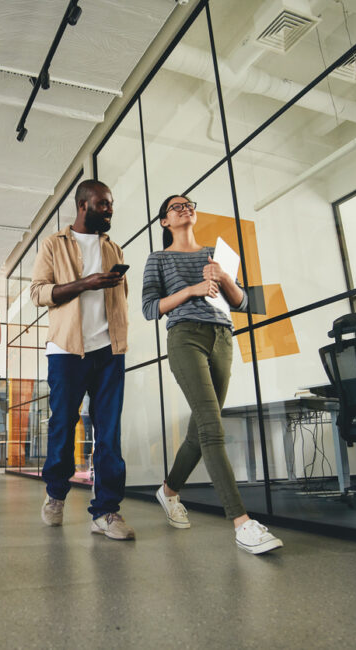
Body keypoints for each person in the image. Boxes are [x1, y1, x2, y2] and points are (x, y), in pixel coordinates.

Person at [142, 194, 283, 554]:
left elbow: (243, 303)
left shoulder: (216, 254)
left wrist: (223, 276)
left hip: (222, 337)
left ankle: (169, 490)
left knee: (198, 432)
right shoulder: (158, 258)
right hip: (185, 336)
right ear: (164, 222)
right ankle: (242, 523)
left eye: (189, 204)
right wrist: (191, 289)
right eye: (176, 207)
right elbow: (149, 308)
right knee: (211, 428)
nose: (185, 208)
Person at [30, 179, 134, 541]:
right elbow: (39, 293)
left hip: (108, 350)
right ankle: (56, 494)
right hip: (66, 350)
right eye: (104, 204)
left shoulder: (114, 248)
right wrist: (85, 283)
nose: (109, 210)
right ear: (83, 205)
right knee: (63, 425)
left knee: (109, 431)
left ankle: (106, 511)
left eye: (111, 204)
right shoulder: (53, 244)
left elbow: (121, 297)